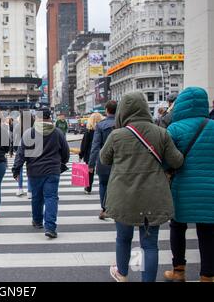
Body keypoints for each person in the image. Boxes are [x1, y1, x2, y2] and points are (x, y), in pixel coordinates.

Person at [100, 92, 184, 283]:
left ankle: (122, 273)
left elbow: (104, 159)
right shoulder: (161, 133)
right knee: (149, 245)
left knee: (123, 237)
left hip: (122, 196)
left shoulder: (117, 135)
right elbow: (177, 161)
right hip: (152, 196)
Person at [164, 87, 214, 283]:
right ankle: (207, 276)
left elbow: (167, 161)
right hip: (210, 189)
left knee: (177, 227)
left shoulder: (174, 129)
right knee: (208, 232)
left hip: (182, 187)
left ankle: (178, 271)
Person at [12, 108, 70, 239]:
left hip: (34, 170)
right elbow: (65, 152)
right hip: (52, 170)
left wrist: (16, 169)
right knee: (51, 197)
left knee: (37, 197)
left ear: (37, 118)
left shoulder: (29, 133)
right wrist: (62, 162)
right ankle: (50, 227)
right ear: (50, 118)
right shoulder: (57, 133)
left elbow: (21, 153)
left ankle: (37, 221)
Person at [88, 101, 117, 220]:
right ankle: (116, 209)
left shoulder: (100, 125)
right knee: (119, 185)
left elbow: (95, 146)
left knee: (103, 184)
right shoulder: (123, 124)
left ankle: (105, 209)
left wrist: (91, 164)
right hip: (119, 160)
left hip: (104, 160)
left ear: (106, 110)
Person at [79, 113, 104, 194]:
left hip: (90, 153)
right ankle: (103, 187)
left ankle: (88, 188)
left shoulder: (89, 131)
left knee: (90, 171)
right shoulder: (103, 129)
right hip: (102, 153)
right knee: (102, 171)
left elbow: (84, 144)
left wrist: (81, 154)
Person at [13, 111, 34, 198]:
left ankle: (20, 188)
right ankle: (30, 191)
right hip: (32, 149)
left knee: (19, 169)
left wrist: (13, 149)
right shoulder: (33, 127)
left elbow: (14, 138)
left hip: (20, 149)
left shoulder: (18, 126)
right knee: (30, 169)